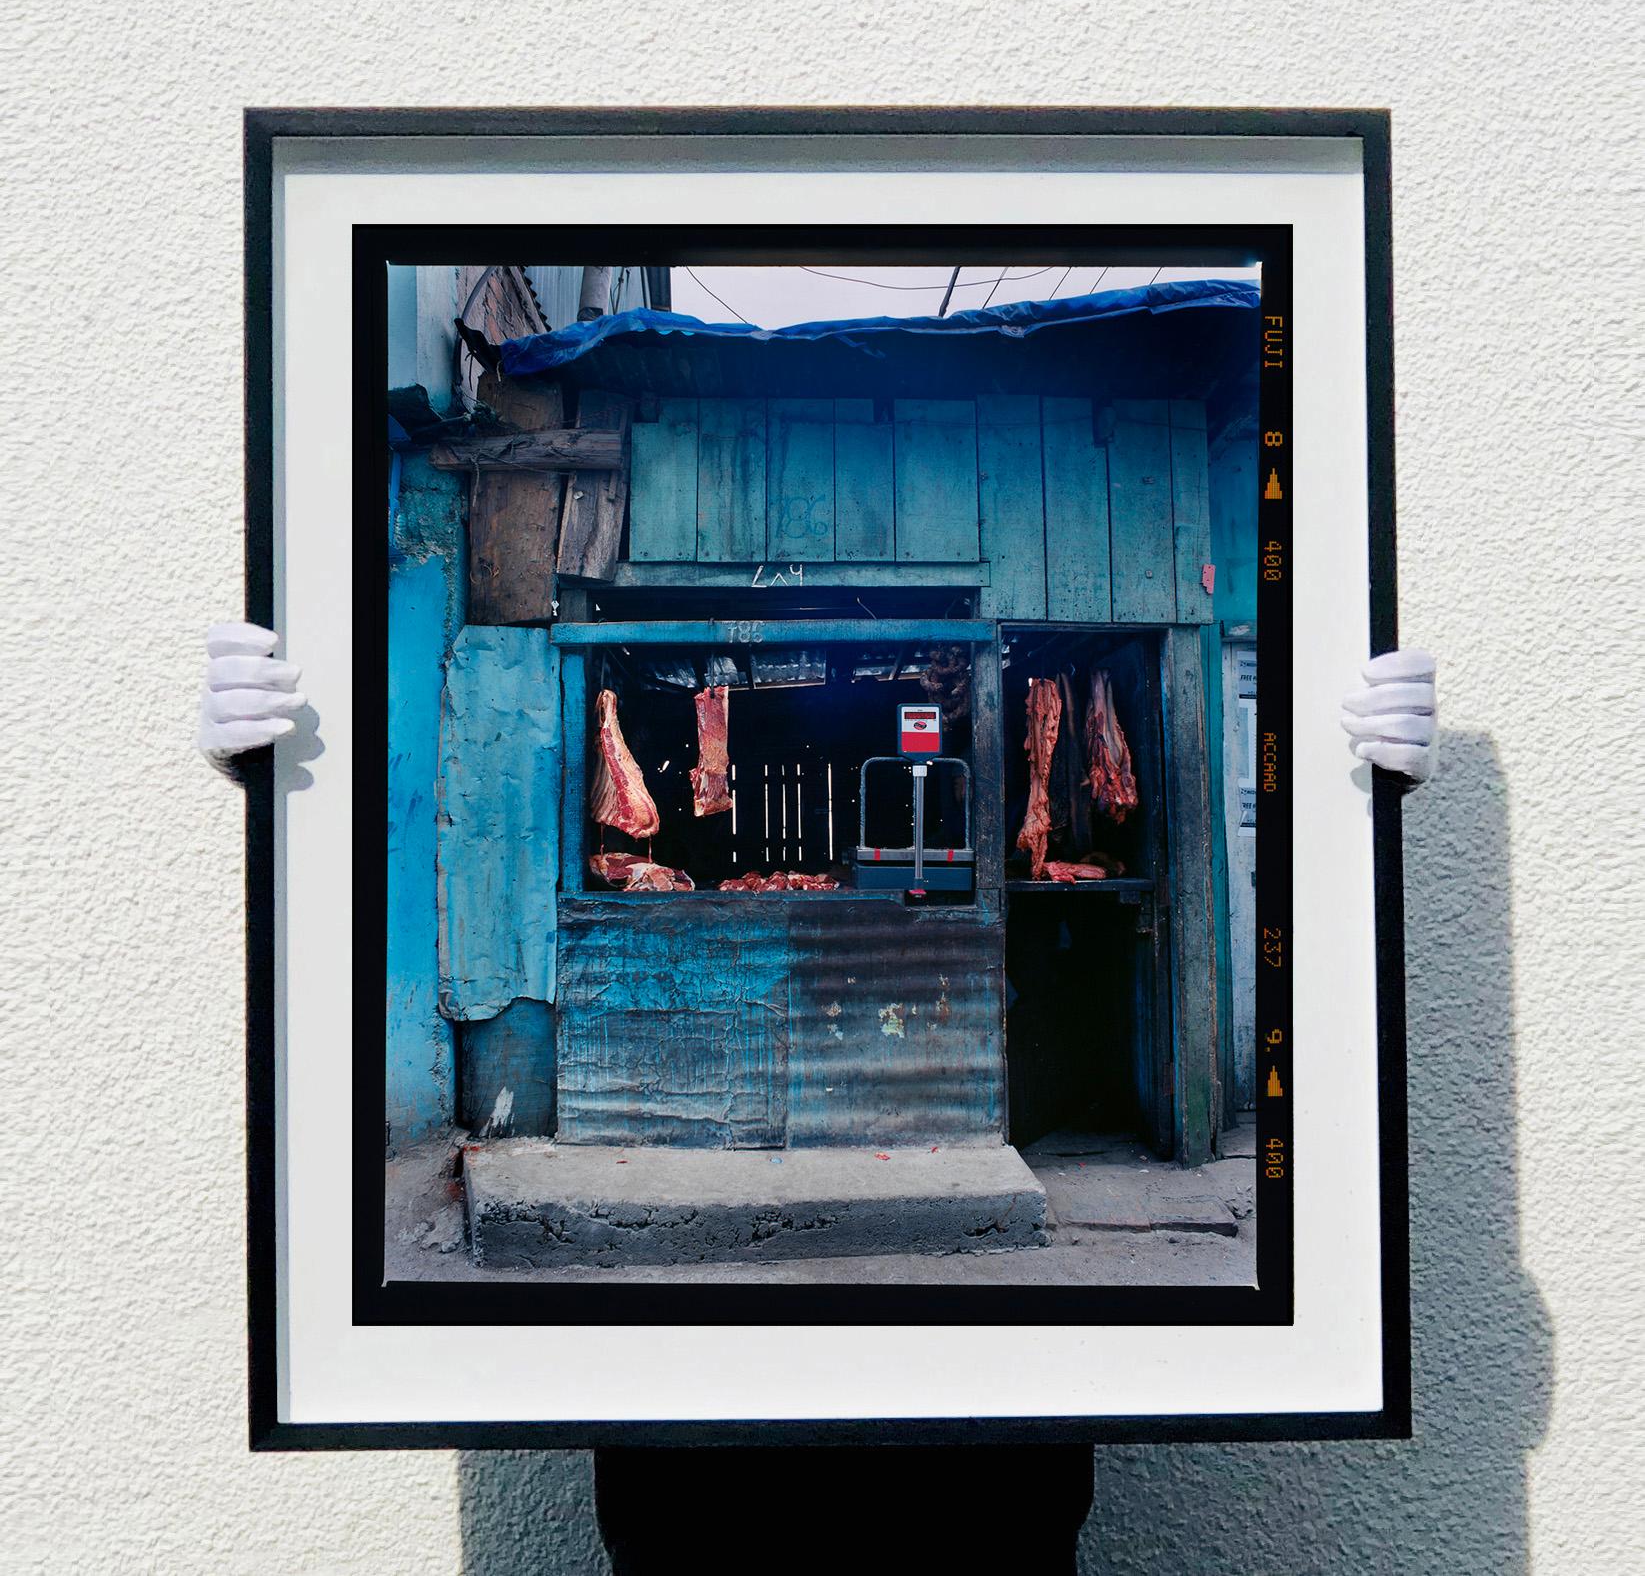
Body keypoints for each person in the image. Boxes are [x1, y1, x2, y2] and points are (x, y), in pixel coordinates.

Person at [197, 621, 1436, 1570]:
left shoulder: (955, 742)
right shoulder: (672, 752)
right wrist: (267, 806)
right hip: (694, 1489)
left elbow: (1328, 1039)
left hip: (989, 1482)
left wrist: (1352, 830)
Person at [197, 622, 1440, 782]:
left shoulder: (983, 693)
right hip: (668, 1515)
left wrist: (1371, 794)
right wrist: (245, 779)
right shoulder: (672, 715)